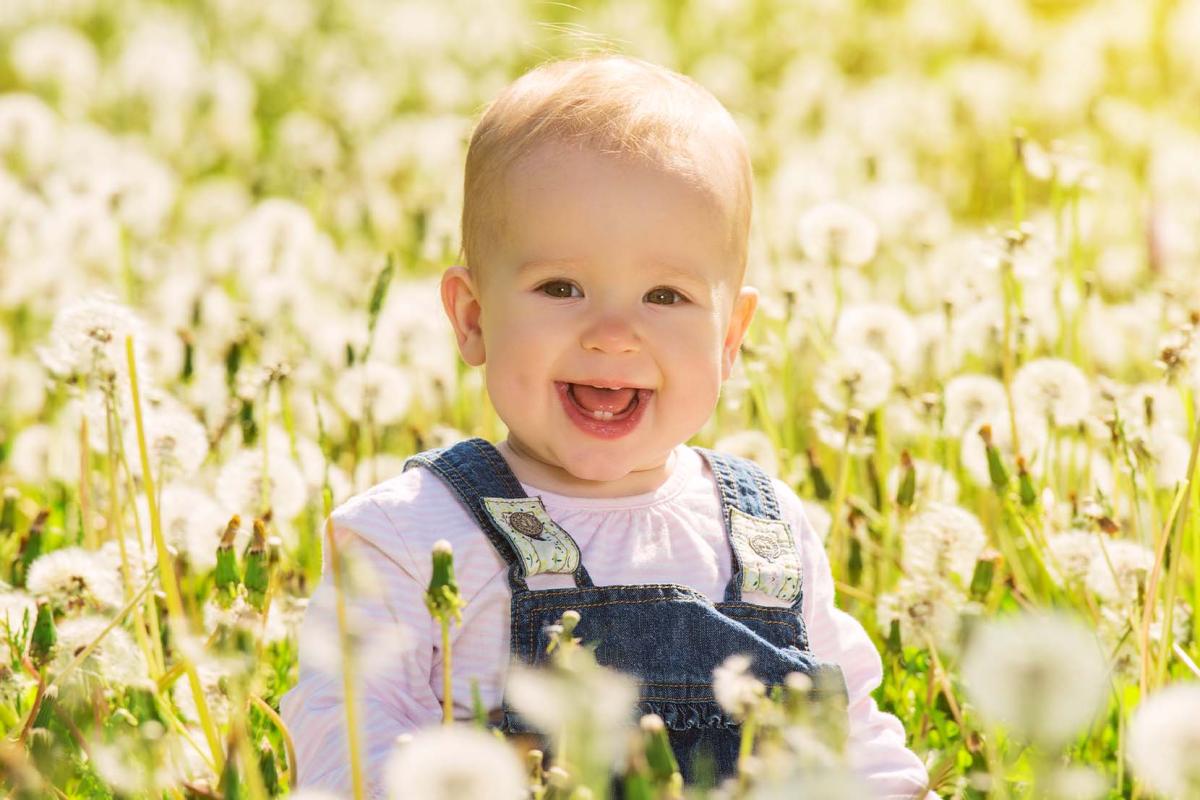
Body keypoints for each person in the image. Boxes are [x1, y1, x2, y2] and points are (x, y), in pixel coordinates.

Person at [281, 54, 935, 799]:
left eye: (666, 294)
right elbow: (347, 747)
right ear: (472, 317)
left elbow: (855, 738)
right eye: (562, 287)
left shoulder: (770, 535)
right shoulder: (408, 537)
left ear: (731, 339)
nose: (613, 332)